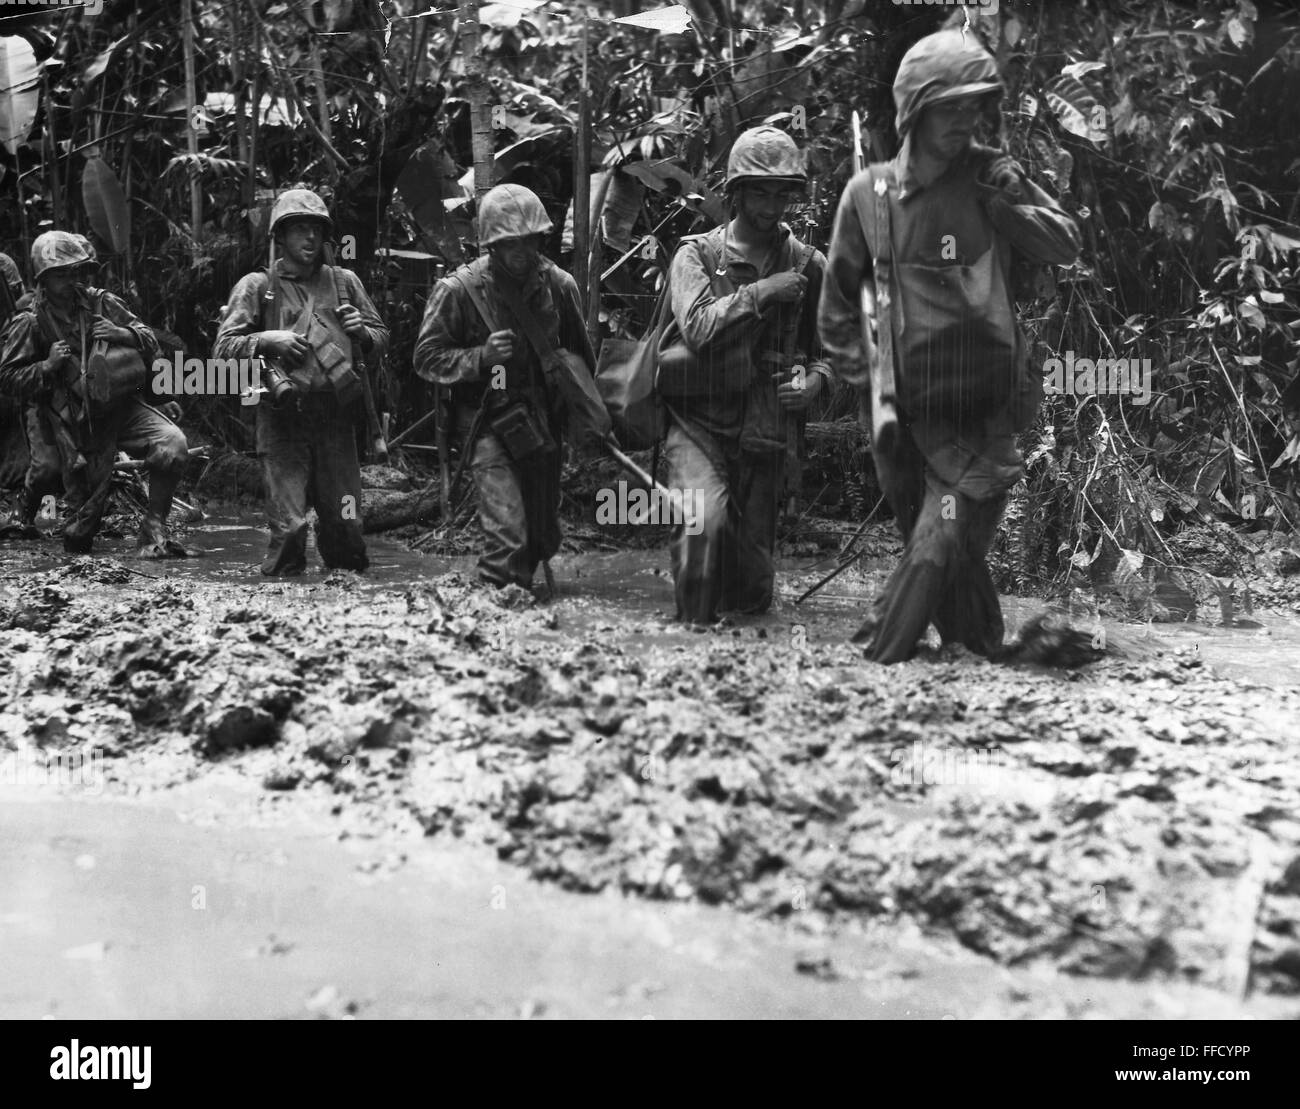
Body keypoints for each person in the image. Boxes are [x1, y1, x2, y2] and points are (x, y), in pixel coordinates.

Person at [818, 28, 1081, 663]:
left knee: (938, 544)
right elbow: (834, 318)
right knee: (947, 567)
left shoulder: (992, 178)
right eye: (950, 106)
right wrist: (873, 385)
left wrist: (1009, 203)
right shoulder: (868, 197)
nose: (965, 120)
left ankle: (870, 665)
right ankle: (995, 654)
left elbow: (1066, 244)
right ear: (914, 109)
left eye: (973, 105)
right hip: (904, 421)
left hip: (986, 415)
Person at [660, 125, 831, 624]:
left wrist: (816, 381)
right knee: (701, 525)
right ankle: (690, 645)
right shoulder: (697, 255)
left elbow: (837, 349)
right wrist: (763, 292)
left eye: (783, 192)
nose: (773, 204)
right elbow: (697, 328)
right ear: (735, 192)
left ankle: (748, 672)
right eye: (760, 190)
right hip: (698, 422)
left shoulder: (808, 264)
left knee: (752, 584)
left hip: (765, 431)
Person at [414, 183, 595, 593]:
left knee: (541, 538)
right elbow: (426, 358)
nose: (521, 251)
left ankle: (525, 617)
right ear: (491, 245)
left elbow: (582, 361)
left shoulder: (560, 287)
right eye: (508, 242)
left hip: (543, 426)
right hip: (488, 426)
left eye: (528, 240)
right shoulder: (458, 291)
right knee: (508, 536)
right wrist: (481, 358)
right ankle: (494, 618)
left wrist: (589, 421)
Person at [214, 188, 389, 576]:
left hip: (336, 421)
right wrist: (265, 340)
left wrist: (363, 334)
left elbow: (381, 340)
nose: (309, 238)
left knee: (346, 527)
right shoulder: (258, 287)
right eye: (298, 230)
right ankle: (279, 609)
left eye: (315, 230)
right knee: (290, 528)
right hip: (282, 421)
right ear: (280, 236)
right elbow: (222, 350)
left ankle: (348, 610)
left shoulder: (345, 283)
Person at [0, 232, 190, 555]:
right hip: (70, 421)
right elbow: (7, 378)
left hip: (120, 408)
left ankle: (155, 524)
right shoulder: (30, 323)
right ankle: (26, 512)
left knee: (173, 444)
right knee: (78, 535)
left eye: (73, 270)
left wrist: (121, 333)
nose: (69, 278)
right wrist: (47, 366)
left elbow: (149, 340)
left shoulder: (102, 302)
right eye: (60, 272)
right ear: (43, 279)